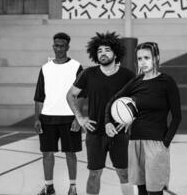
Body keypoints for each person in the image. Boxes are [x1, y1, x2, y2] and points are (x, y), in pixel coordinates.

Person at [104, 42, 182, 195]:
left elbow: (177, 116)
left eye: (147, 57)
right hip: (135, 142)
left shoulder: (166, 82)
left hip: (157, 143)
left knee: (154, 191)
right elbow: (112, 100)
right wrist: (108, 122)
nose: (143, 62)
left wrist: (165, 143)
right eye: (139, 59)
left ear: (156, 58)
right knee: (141, 190)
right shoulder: (136, 82)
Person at [66, 32, 135, 195]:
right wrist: (80, 118)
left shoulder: (127, 75)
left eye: (107, 50)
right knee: (94, 173)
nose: (103, 53)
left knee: (124, 173)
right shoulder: (89, 74)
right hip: (95, 132)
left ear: (115, 53)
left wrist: (130, 120)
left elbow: (138, 100)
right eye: (99, 51)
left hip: (119, 132)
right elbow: (70, 95)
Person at [34, 32, 83, 195]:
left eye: (62, 46)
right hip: (47, 117)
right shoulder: (45, 68)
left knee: (71, 153)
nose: (59, 49)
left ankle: (73, 187)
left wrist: (78, 117)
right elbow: (39, 97)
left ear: (68, 47)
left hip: (69, 118)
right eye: (56, 45)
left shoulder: (76, 66)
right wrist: (37, 119)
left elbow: (82, 95)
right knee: (47, 153)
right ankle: (49, 186)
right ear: (53, 46)